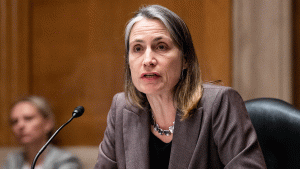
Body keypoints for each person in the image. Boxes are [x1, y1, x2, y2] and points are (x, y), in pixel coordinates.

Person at [94, 4, 267, 169]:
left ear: (185, 59)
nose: (148, 60)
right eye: (137, 49)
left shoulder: (219, 104)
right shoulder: (122, 108)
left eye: (161, 46)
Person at [3, 96, 82, 169]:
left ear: (48, 123)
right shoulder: (13, 160)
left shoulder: (66, 160)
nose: (20, 125)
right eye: (14, 121)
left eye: (28, 118)